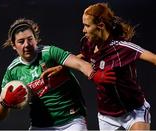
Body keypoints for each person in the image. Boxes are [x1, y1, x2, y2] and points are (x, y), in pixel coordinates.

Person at [42, 2, 156, 131]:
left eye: (87, 25)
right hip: (106, 114)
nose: (83, 30)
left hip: (133, 110)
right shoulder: (88, 43)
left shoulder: (122, 48)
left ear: (100, 26)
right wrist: (62, 67)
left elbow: (153, 58)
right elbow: (85, 56)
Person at [0, 18, 116, 130]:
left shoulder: (49, 53)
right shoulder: (13, 71)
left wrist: (94, 74)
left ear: (35, 39)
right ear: (13, 45)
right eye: (21, 41)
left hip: (72, 119)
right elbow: (0, 115)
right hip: (40, 125)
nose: (27, 44)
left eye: (30, 39)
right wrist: (5, 103)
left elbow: (80, 64)